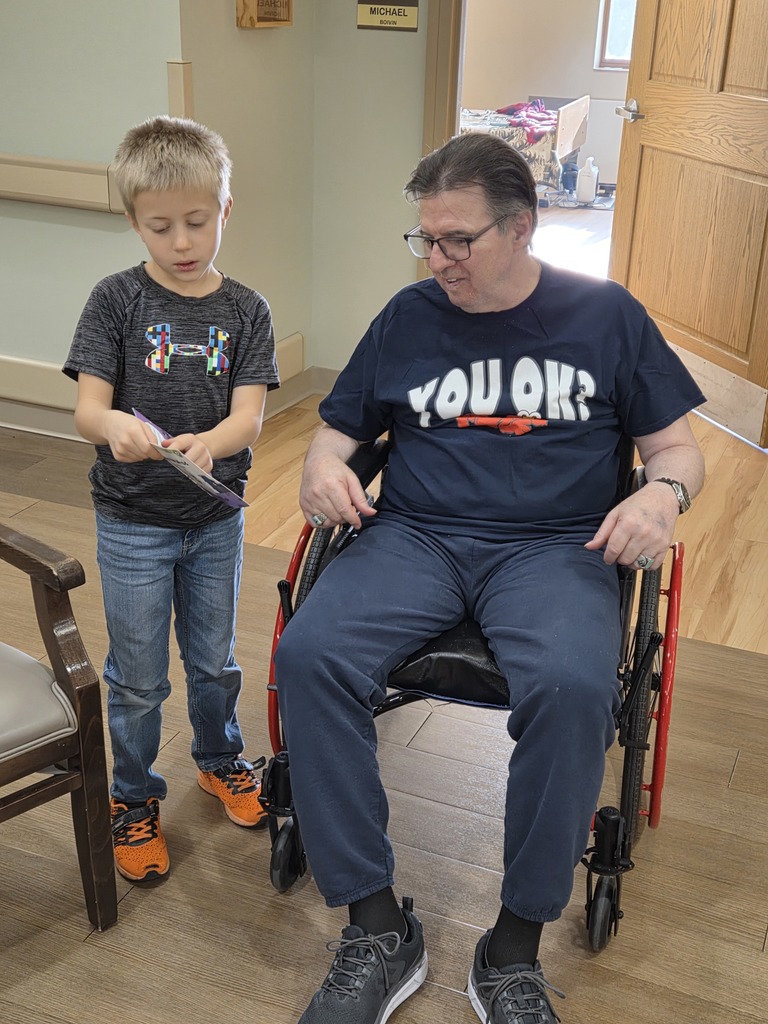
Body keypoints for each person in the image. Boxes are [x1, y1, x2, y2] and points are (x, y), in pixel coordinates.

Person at [273, 131, 705, 1024]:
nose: (437, 260)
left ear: (522, 227)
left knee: (574, 685)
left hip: (556, 548)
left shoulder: (607, 316)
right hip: (416, 536)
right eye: (425, 239)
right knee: (310, 654)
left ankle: (511, 952)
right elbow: (339, 430)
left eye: (457, 240)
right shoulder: (408, 315)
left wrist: (662, 496)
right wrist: (320, 468)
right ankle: (376, 929)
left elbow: (676, 449)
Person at [63, 116, 279, 883]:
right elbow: (88, 410)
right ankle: (131, 796)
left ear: (225, 210)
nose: (182, 242)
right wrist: (114, 425)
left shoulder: (247, 310)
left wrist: (211, 442)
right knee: (138, 675)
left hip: (215, 521)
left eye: (197, 221)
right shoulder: (115, 300)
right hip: (132, 525)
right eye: (161, 227)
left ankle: (219, 759)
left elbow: (249, 417)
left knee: (214, 660)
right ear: (135, 222)